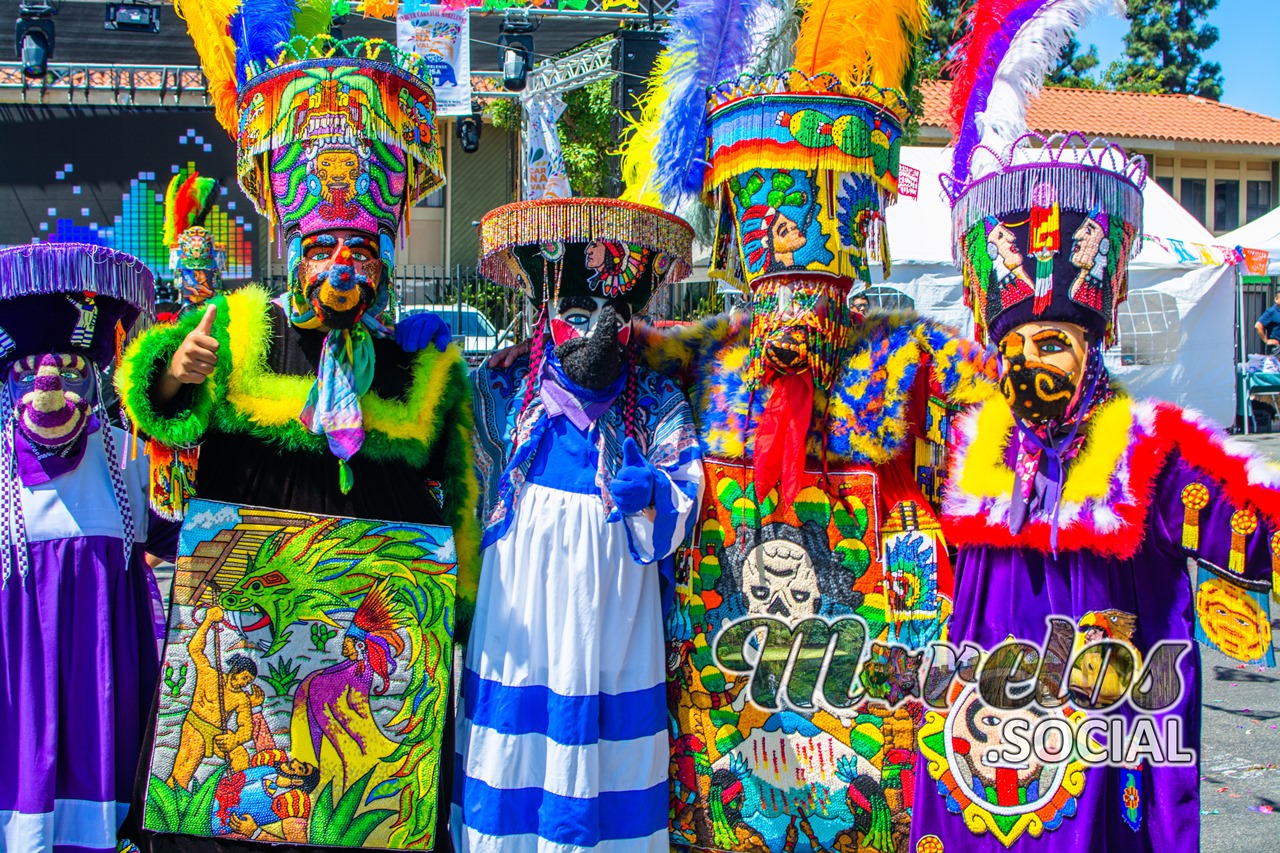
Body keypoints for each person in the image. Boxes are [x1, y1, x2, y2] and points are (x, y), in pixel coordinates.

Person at [613, 3, 996, 850]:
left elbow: (1011, 452)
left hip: (866, 673)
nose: (794, 291)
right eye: (771, 230)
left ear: (861, 237)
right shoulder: (697, 353)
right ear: (742, 247)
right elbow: (594, 373)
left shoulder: (913, 354)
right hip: (730, 679)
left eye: (815, 232)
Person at [911, 2, 1278, 850]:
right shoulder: (970, 444)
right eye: (1019, 345)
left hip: (1100, 728)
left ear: (1098, 334)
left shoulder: (1149, 449)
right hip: (983, 731)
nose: (1033, 363)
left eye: (1057, 342)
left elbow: (1249, 521)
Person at [117, 5, 476, 851]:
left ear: (384, 258)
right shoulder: (239, 330)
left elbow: (453, 499)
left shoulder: (413, 371)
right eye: (323, 248)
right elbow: (161, 415)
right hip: (250, 629)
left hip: (364, 643)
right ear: (294, 249)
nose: (340, 268)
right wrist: (174, 371)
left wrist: (445, 611)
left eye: (358, 247)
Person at [457, 197, 704, 852]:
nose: (594, 333)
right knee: (516, 757)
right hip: (519, 616)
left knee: (605, 773)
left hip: (612, 618)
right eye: (574, 317)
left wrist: (655, 492)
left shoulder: (655, 399)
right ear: (545, 315)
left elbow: (686, 490)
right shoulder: (500, 390)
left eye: (612, 318)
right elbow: (448, 473)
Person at [0, 242, 173, 852]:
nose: (49, 385)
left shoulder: (128, 458)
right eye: (31, 369)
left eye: (68, 369)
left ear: (93, 376)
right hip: (18, 698)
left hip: (101, 689)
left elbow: (184, 533)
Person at [167, 606, 258, 791]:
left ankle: (236, 795)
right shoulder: (210, 676)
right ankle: (172, 794)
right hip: (196, 725)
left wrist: (235, 739)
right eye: (244, 677)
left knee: (240, 756)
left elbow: (246, 729)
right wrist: (208, 621)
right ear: (235, 671)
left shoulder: (241, 698)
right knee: (185, 766)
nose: (244, 683)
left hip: (218, 733)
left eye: (248, 681)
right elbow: (195, 650)